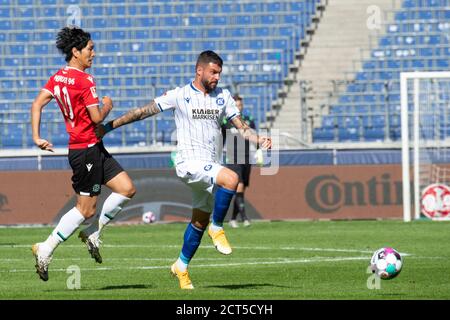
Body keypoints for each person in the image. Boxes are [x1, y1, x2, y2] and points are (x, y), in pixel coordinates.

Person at [97, 50, 272, 289]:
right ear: (199, 70)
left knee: (199, 221)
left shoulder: (223, 97)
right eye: (213, 72)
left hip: (210, 166)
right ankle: (218, 227)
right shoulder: (179, 95)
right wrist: (108, 127)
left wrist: (258, 138)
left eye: (219, 73)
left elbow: (241, 128)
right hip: (189, 163)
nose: (217, 77)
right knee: (231, 178)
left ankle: (181, 266)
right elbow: (141, 113)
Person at [30, 27, 136, 281]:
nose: (94, 53)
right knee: (86, 209)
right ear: (75, 52)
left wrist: (36, 137)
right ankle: (45, 248)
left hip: (92, 148)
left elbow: (36, 104)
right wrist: (108, 105)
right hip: (85, 151)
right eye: (90, 48)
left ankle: (93, 233)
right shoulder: (85, 80)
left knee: (126, 188)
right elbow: (97, 117)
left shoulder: (57, 78)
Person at [221, 95, 256, 228]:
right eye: (236, 105)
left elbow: (252, 136)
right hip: (232, 157)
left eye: (240, 105)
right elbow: (220, 138)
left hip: (247, 157)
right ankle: (245, 219)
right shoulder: (226, 121)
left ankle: (232, 219)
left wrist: (258, 150)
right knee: (239, 186)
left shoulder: (249, 120)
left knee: (242, 189)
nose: (239, 107)